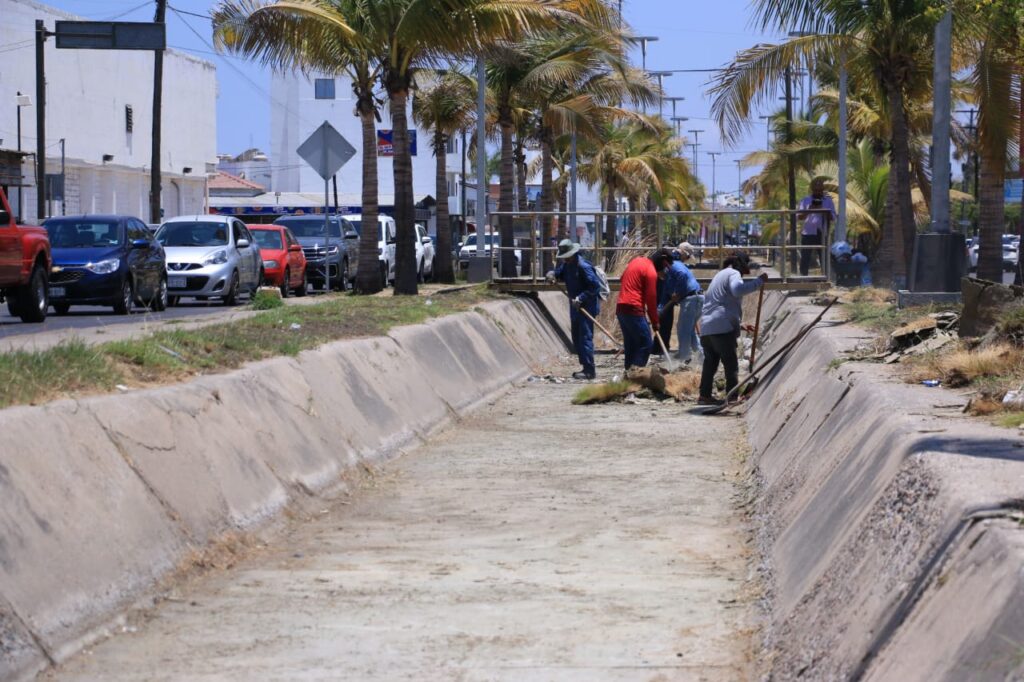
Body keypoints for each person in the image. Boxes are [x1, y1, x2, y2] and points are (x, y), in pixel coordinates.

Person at [698, 250, 767, 406]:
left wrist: (740, 325)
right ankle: (732, 397)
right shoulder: (733, 273)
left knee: (710, 363)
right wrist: (758, 282)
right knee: (731, 364)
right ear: (741, 265)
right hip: (721, 328)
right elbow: (737, 290)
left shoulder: (719, 276)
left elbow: (719, 303)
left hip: (707, 327)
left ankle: (704, 395)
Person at [548, 239, 602, 380]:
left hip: (586, 307)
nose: (564, 259)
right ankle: (584, 366)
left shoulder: (583, 266)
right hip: (575, 307)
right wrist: (552, 274)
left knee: (585, 338)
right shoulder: (567, 265)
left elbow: (595, 287)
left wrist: (581, 298)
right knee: (577, 339)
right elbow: (559, 273)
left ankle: (590, 370)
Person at [617, 248, 672, 370]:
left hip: (621, 308)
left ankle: (628, 377)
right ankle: (636, 375)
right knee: (646, 344)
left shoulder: (636, 261)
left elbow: (622, 278)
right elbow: (651, 298)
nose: (664, 272)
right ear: (663, 263)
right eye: (665, 268)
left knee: (631, 345)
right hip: (634, 308)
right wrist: (655, 321)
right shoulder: (651, 271)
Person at [659, 241, 704, 365]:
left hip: (691, 299)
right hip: (696, 298)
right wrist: (659, 311)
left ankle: (683, 360)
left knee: (683, 330)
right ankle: (703, 358)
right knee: (689, 331)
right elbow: (665, 296)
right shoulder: (671, 272)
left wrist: (678, 293)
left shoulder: (674, 265)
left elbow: (683, 277)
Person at [796, 178, 837, 276]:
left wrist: (824, 210)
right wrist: (809, 210)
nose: (818, 192)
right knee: (805, 257)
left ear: (822, 189)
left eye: (820, 190)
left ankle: (826, 278)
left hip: (822, 232)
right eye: (816, 190)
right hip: (808, 232)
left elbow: (833, 217)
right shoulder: (805, 200)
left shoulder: (828, 201)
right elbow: (799, 217)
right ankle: (803, 279)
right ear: (812, 189)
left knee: (824, 257)